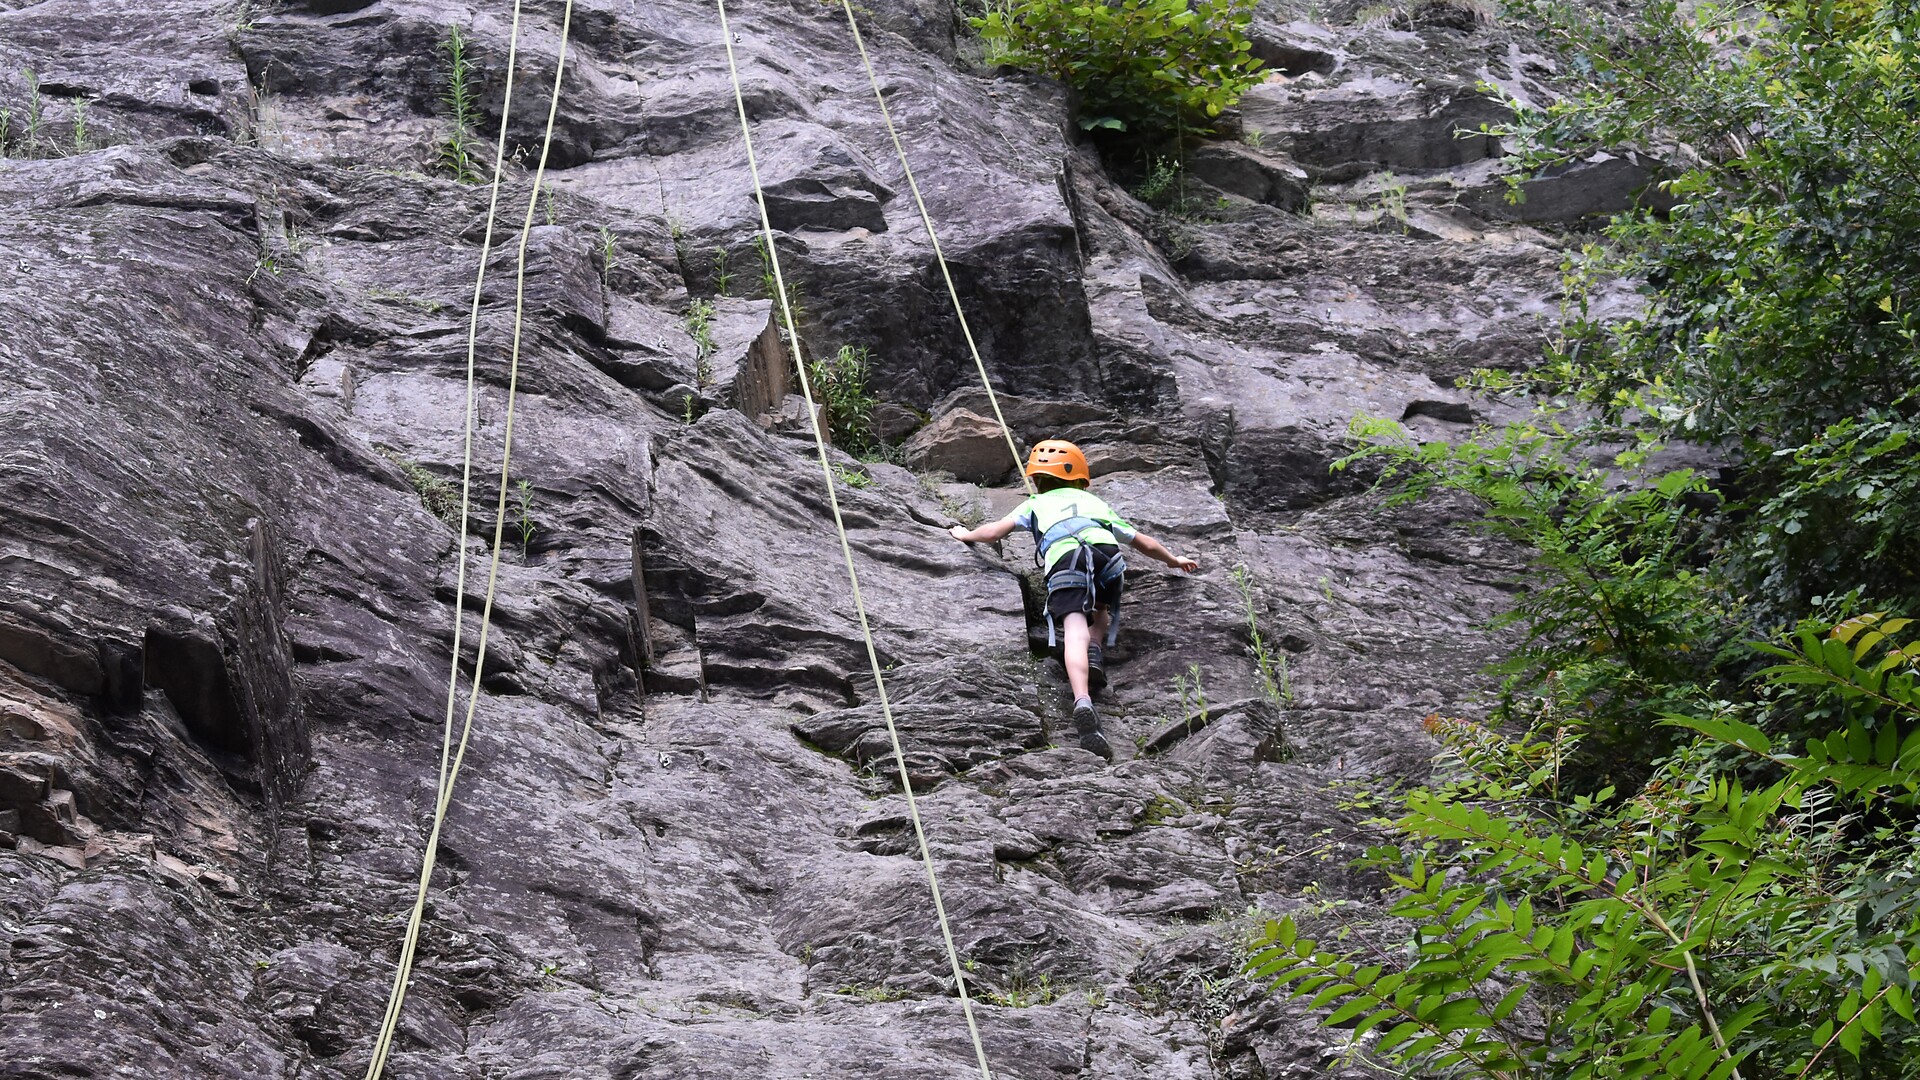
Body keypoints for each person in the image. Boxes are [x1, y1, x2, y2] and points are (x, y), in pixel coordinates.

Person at [948, 439, 1198, 760]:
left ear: (1036, 480)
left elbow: (996, 531)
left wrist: (964, 534)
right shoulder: (1095, 503)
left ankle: (1082, 700)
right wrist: (1173, 560)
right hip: (1107, 554)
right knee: (1101, 606)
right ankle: (1095, 651)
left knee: (1074, 626)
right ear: (1080, 479)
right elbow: (1143, 541)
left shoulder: (1034, 504)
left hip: (1065, 557)